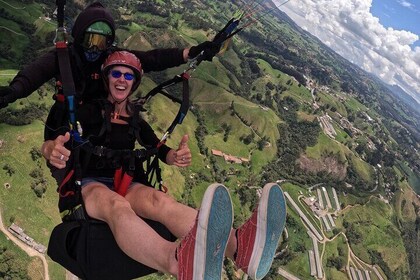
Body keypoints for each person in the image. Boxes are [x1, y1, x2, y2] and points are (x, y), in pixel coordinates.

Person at [42, 51, 287, 280]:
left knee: (161, 202)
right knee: (116, 206)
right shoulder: (88, 111)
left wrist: (174, 156)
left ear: (134, 83)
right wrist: (52, 150)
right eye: (116, 73)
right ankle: (177, 261)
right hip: (88, 184)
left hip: (124, 181)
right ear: (107, 78)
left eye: (128, 75)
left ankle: (238, 248)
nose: (122, 80)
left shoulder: (135, 119)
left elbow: (158, 149)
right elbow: (54, 140)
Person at [0, 2, 218, 110]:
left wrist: (190, 53)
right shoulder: (64, 58)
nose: (95, 48)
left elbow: (151, 59)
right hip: (68, 118)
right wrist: (14, 91)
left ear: (109, 43)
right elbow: (37, 72)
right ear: (78, 37)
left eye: (102, 42)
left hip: (99, 117)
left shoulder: (111, 57)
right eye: (90, 40)